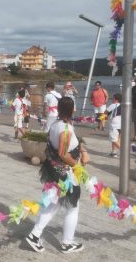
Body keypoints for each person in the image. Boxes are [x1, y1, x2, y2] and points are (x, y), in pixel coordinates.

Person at [25, 97, 89, 253]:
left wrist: (82, 150)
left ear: (59, 109)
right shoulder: (66, 129)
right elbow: (63, 153)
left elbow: (69, 143)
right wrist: (78, 166)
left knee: (54, 203)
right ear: (73, 110)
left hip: (54, 170)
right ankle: (67, 242)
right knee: (73, 207)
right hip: (65, 173)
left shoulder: (56, 125)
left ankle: (35, 234)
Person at [106, 93, 122, 157]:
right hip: (120, 124)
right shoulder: (122, 105)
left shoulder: (113, 105)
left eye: (113, 98)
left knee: (113, 139)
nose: (112, 99)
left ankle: (124, 151)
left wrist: (98, 119)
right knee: (117, 139)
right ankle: (113, 152)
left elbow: (105, 112)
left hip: (114, 124)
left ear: (115, 99)